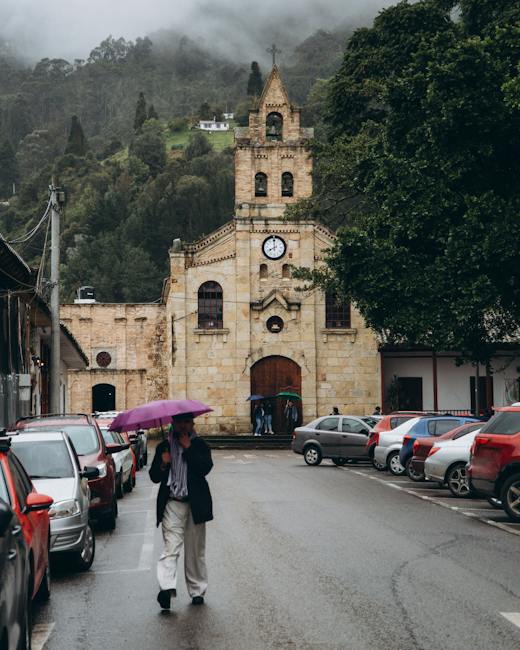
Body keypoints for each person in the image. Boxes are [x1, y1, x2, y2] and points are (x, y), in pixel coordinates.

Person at [149, 412, 213, 610]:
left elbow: (205, 468)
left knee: (195, 551)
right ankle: (166, 589)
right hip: (172, 503)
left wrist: (189, 449)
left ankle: (197, 591)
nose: (184, 426)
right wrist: (163, 463)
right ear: (173, 424)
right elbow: (154, 476)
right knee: (171, 547)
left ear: (192, 424)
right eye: (180, 422)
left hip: (195, 504)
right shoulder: (164, 447)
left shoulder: (200, 445)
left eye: (187, 422)